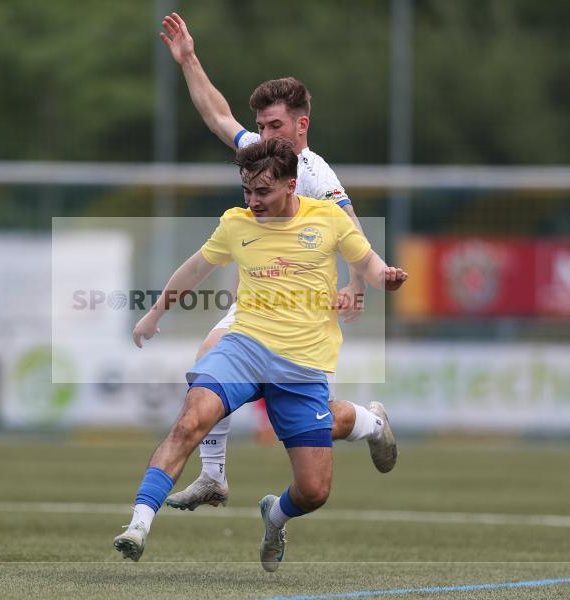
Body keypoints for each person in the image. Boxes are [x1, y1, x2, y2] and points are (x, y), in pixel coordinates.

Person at [114, 139, 407, 569]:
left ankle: (276, 515)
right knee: (190, 419)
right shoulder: (237, 223)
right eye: (246, 191)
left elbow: (369, 263)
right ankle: (139, 523)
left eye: (262, 193)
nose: (252, 202)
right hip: (244, 347)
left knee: (313, 491)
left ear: (292, 185)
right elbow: (195, 267)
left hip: (302, 364)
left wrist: (387, 276)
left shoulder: (327, 219)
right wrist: (155, 313)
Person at [160, 11, 391, 511]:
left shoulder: (311, 171)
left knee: (315, 421)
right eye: (261, 124)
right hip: (258, 300)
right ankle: (214, 477)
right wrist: (189, 60)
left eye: (274, 124)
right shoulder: (266, 153)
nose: (262, 133)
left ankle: (370, 423)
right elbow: (218, 117)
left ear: (301, 125)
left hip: (303, 307)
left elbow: (351, 228)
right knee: (207, 363)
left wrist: (357, 284)